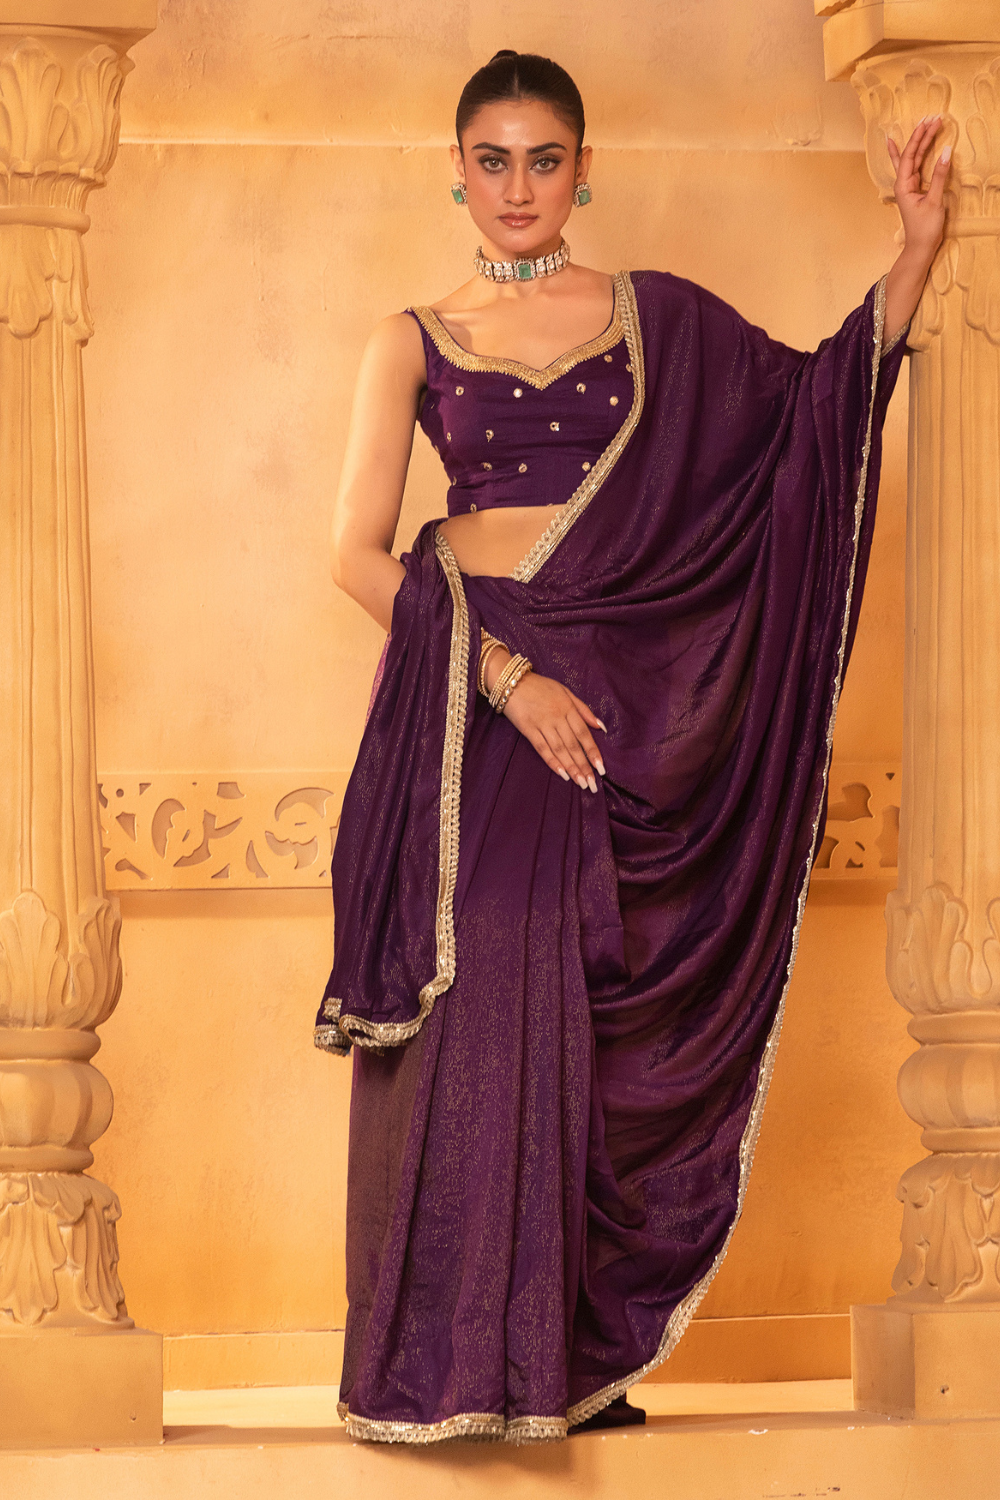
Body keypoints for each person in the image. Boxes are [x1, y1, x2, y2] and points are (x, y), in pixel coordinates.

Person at [314, 50, 949, 1444]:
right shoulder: (411, 338)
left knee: (600, 1009)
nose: (519, 188)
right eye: (494, 161)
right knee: (479, 984)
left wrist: (911, 255)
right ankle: (442, 1370)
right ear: (457, 173)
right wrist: (508, 678)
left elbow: (813, 415)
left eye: (545, 161)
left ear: (582, 171)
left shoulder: (656, 320)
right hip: (482, 697)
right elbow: (356, 555)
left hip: (633, 703)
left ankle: (561, 1363)